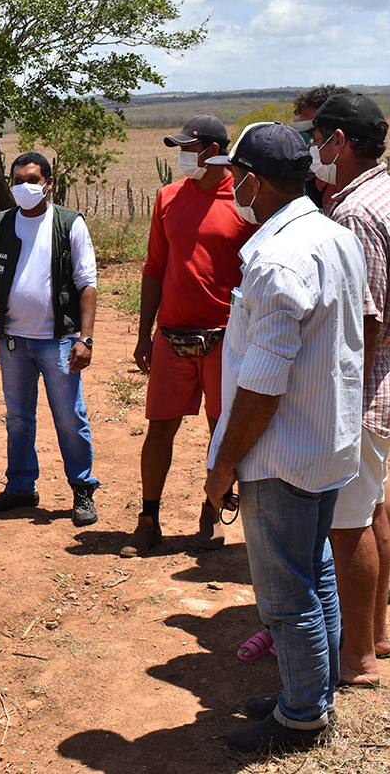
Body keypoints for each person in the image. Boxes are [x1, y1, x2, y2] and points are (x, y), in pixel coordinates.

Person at [200, 123, 366, 752]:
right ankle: (309, 693)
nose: (230, 184)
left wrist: (224, 467)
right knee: (314, 575)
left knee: (286, 596)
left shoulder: (277, 259)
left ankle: (301, 718)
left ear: (256, 182)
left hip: (282, 453)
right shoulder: (332, 236)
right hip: (326, 441)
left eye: (236, 174)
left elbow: (263, 387)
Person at [311, 93, 390, 686]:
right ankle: (374, 632)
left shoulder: (354, 213)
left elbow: (366, 318)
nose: (313, 150)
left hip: (360, 392)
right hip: (385, 383)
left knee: (347, 523)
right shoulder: (389, 194)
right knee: (372, 503)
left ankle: (357, 659)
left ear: (341, 142)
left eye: (318, 138)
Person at [122, 115, 256, 557]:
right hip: (172, 335)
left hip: (226, 337)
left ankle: (212, 510)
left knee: (221, 430)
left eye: (190, 148)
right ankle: (148, 518)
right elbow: (154, 269)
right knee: (159, 429)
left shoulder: (244, 200)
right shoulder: (167, 198)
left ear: (216, 151)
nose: (182, 157)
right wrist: (144, 334)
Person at [0, 152, 102, 526]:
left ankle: (82, 490)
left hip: (58, 341)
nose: (24, 187)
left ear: (49, 184)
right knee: (18, 418)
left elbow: (87, 284)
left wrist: (85, 339)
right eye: (17, 181)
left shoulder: (68, 223)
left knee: (69, 418)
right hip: (13, 342)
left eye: (32, 180)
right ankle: (21, 487)